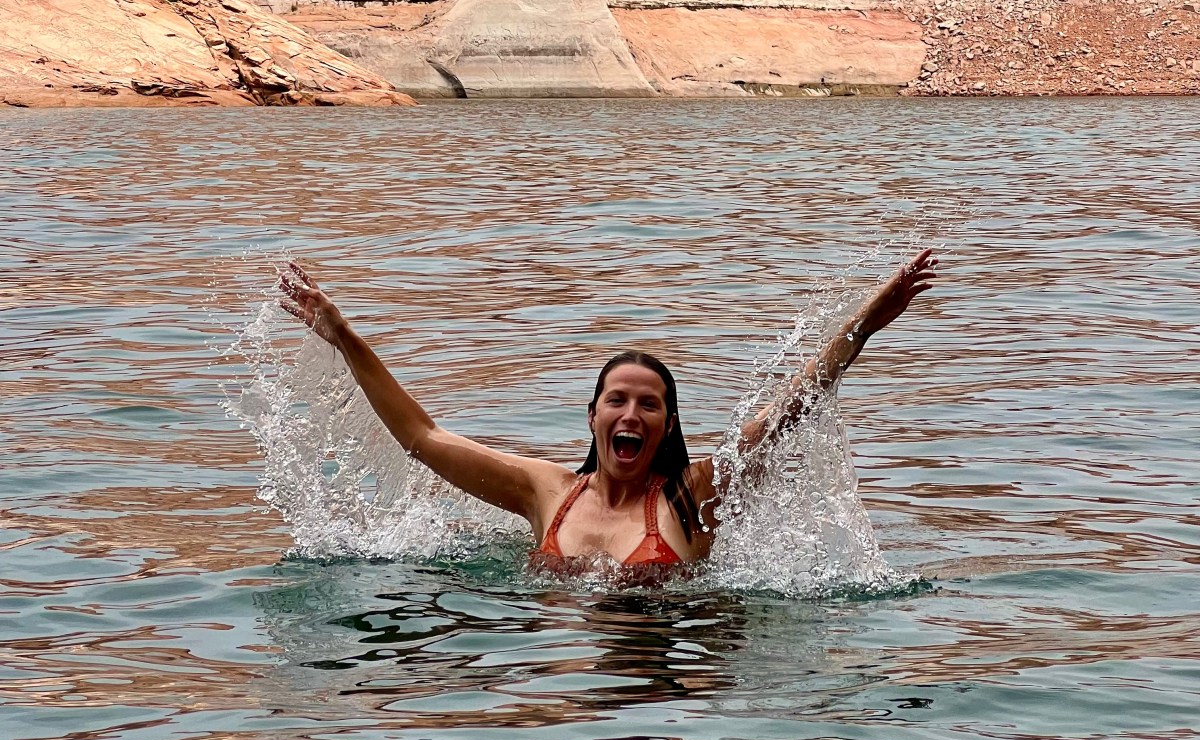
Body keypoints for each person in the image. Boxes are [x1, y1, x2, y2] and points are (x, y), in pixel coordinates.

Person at [277, 250, 938, 569]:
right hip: (564, 689)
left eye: (649, 404)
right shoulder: (546, 491)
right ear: (591, 416)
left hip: (671, 684)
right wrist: (345, 337)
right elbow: (422, 437)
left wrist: (866, 325)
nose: (631, 413)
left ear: (668, 424)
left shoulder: (694, 492)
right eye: (616, 400)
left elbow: (783, 415)